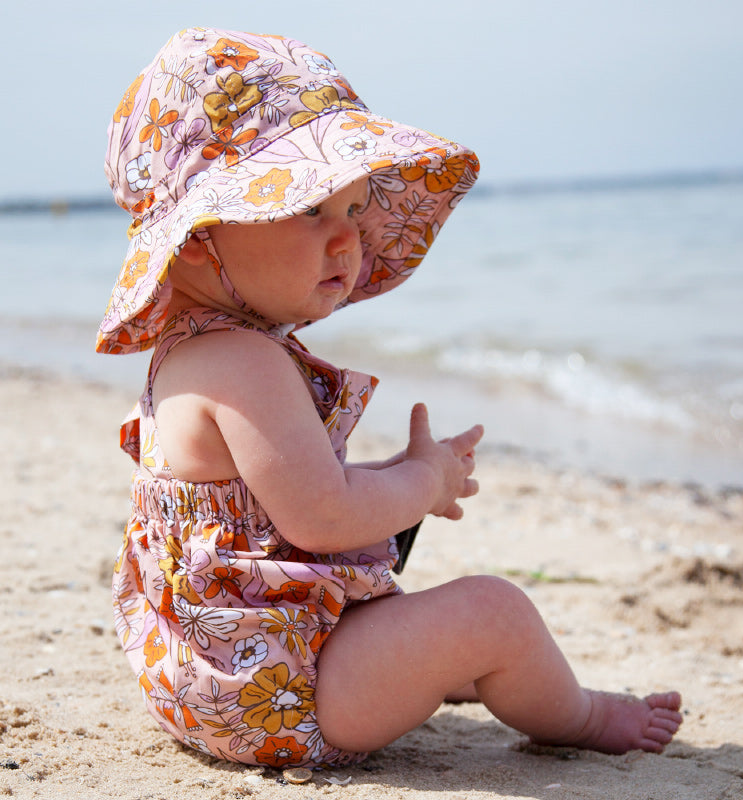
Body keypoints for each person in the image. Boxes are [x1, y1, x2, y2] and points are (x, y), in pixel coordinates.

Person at [99, 27, 682, 769]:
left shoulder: (188, 356)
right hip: (282, 692)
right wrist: (423, 482)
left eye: (353, 212)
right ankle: (586, 716)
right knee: (492, 611)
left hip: (205, 678)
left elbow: (277, 504)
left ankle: (438, 666)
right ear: (199, 234)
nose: (348, 243)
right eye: (311, 210)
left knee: (414, 618)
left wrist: (390, 475)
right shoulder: (245, 362)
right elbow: (324, 516)